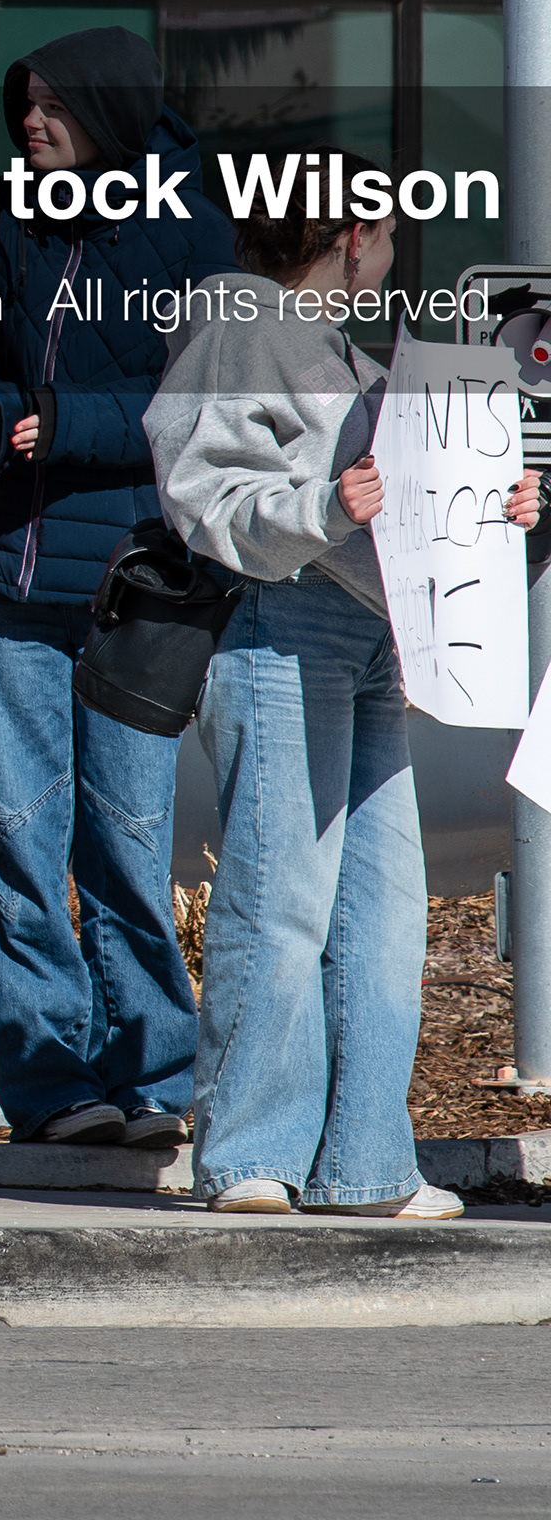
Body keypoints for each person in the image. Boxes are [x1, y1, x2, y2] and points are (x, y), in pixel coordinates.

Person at [150, 160, 523, 1221]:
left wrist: (500, 509)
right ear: (353, 233)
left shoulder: (345, 353)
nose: (396, 256)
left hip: (368, 631)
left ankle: (362, 1156)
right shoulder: (238, 316)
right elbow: (198, 483)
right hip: (283, 620)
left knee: (381, 906)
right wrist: (324, 502)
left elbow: (387, 498)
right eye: (393, 235)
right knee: (284, 892)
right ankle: (254, 1153)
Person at [0, 27, 235, 1147]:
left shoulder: (188, 226)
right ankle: (52, 1084)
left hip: (137, 582)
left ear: (108, 112)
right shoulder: (0, 211)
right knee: (16, 836)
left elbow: (195, 391)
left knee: (125, 837)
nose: (32, 122)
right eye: (26, 103)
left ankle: (154, 1072)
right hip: (9, 567)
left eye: (55, 105)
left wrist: (66, 423)